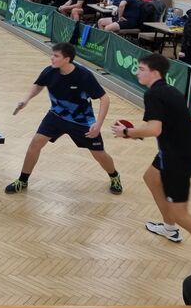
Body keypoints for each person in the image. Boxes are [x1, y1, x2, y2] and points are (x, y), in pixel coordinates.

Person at [111, 53, 191, 254]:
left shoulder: (153, 95)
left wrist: (126, 132)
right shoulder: (170, 91)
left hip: (177, 157)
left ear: (155, 73)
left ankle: (177, 226)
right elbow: (159, 126)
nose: (137, 72)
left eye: (141, 69)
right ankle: (169, 229)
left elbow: (154, 129)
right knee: (151, 178)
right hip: (181, 149)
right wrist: (133, 133)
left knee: (181, 215)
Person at [7, 42, 120, 194]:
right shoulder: (50, 71)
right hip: (56, 116)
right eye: (52, 54)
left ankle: (114, 176)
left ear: (67, 59)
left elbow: (104, 98)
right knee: (36, 142)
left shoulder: (83, 75)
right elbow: (39, 85)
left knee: (99, 154)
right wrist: (26, 99)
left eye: (56, 56)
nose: (51, 58)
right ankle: (22, 180)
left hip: (81, 121)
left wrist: (98, 125)